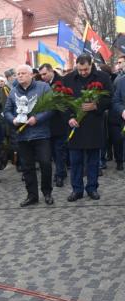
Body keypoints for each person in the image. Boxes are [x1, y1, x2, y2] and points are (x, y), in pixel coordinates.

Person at [63, 54, 112, 201]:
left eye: (86, 69)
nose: (83, 72)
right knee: (75, 160)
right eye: (80, 69)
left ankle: (92, 188)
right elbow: (63, 101)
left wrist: (96, 105)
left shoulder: (102, 77)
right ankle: (76, 190)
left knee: (93, 160)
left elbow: (110, 98)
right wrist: (70, 117)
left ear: (91, 65)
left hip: (94, 124)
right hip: (75, 126)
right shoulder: (68, 78)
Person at [4, 64, 54, 207]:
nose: (19, 76)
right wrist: (12, 120)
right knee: (27, 167)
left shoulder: (43, 87)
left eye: (23, 73)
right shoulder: (13, 91)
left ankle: (47, 192)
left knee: (45, 163)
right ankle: (32, 195)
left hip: (40, 134)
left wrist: (37, 119)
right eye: (17, 74)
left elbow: (51, 108)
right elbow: (7, 110)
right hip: (22, 135)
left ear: (31, 74)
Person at [39, 63, 68, 187]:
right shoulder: (41, 85)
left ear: (51, 71)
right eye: (41, 75)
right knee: (51, 152)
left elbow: (65, 101)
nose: (43, 77)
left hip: (59, 122)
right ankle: (60, 171)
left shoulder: (62, 82)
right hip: (46, 124)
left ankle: (60, 174)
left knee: (59, 150)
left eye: (45, 74)